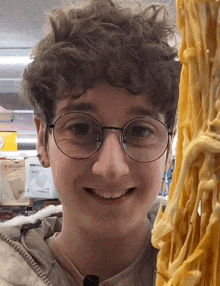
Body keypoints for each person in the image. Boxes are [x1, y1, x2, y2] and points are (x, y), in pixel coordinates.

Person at [0, 0, 181, 285]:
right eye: (81, 128)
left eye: (141, 131)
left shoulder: (206, 263)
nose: (111, 168)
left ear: (169, 148)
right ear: (42, 140)